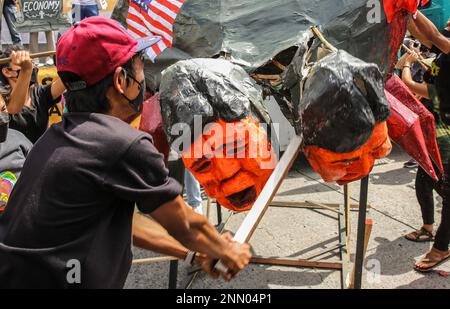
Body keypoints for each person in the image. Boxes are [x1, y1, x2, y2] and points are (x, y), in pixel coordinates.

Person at [0, 17, 251, 288]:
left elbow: (125, 223)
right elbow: (186, 224)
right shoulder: (122, 144)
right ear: (121, 80)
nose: (145, 80)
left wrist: (192, 253)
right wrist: (226, 249)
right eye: (141, 69)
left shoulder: (59, 136)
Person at [402, 10, 450, 272]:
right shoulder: (444, 54)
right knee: (425, 178)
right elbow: (424, 33)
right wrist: (407, 13)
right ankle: (429, 229)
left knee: (443, 190)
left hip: (446, 134)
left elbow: (431, 33)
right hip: (439, 129)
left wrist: (407, 65)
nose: (448, 20)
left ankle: (441, 247)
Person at [0, 46, 66, 143]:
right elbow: (13, 108)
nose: (31, 65)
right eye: (22, 62)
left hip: (40, 154)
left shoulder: (39, 94)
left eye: (31, 62)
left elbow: (66, 81)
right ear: (7, 72)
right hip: (17, 156)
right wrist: (25, 70)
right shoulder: (2, 99)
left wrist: (65, 61)